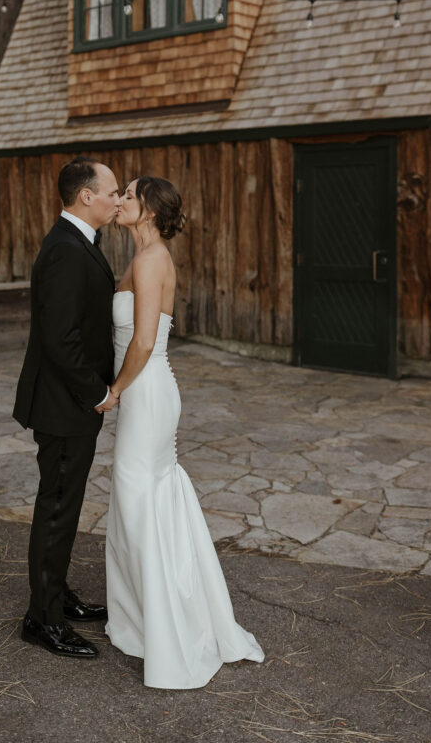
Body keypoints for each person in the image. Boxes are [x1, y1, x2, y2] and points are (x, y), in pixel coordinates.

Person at [104, 176, 265, 688]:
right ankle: (144, 619)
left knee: (138, 504)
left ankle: (173, 629)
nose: (120, 200)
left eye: (129, 194)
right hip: (142, 392)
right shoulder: (139, 257)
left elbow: (146, 340)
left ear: (148, 209)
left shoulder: (153, 261)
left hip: (147, 392)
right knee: (136, 507)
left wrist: (115, 391)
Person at [13, 156, 121, 659]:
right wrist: (98, 392)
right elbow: (60, 339)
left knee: (65, 505)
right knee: (56, 508)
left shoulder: (80, 242)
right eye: (112, 192)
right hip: (63, 404)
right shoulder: (65, 249)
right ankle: (43, 620)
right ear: (86, 197)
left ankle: (56, 595)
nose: (117, 200)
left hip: (70, 403)